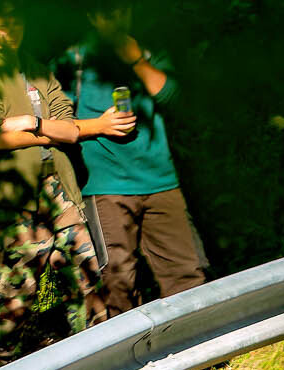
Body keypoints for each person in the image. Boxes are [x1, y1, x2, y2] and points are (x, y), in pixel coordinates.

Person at [0, 4, 135, 369]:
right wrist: (49, 131)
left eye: (17, 19)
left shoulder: (38, 70)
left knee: (86, 270)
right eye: (3, 20)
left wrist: (31, 124)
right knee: (19, 286)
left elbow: (70, 128)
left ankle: (102, 361)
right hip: (17, 195)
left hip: (59, 186)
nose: (11, 27)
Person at [61, 5, 204, 316]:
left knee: (186, 275)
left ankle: (198, 342)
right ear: (92, 15)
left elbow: (171, 96)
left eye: (122, 10)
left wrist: (136, 60)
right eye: (107, 12)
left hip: (160, 181)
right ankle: (134, 348)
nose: (116, 19)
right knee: (117, 283)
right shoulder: (74, 61)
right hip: (106, 187)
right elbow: (55, 124)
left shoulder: (146, 50)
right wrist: (99, 125)